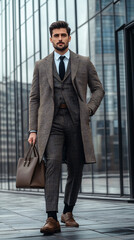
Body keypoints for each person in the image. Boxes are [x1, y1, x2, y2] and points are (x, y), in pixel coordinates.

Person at [28, 21, 105, 234]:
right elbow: (34, 98)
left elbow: (98, 89)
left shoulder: (84, 62)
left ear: (69, 38)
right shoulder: (41, 65)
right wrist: (32, 129)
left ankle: (67, 211)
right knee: (51, 164)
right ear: (51, 39)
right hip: (50, 124)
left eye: (63, 35)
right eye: (56, 35)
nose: (60, 38)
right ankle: (51, 217)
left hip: (76, 123)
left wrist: (88, 109)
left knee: (75, 166)